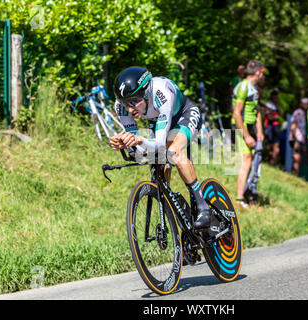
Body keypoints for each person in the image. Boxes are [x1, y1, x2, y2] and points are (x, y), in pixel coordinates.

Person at [109, 66, 211, 229]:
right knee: (157, 170)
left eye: (134, 101)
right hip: (158, 122)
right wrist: (127, 145)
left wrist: (138, 140)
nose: (130, 108)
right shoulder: (121, 107)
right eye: (125, 103)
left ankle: (203, 207)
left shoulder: (161, 93)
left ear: (146, 92)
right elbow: (143, 151)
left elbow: (159, 143)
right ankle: (177, 219)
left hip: (183, 115)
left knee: (173, 153)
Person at [232, 60, 265, 209]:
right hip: (242, 127)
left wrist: (259, 132)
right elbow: (236, 114)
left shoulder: (253, 88)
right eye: (262, 73)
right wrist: (246, 135)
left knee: (251, 162)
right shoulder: (243, 87)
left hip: (251, 128)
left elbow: (256, 110)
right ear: (258, 72)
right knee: (246, 162)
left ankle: (246, 194)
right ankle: (239, 199)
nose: (262, 76)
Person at [289, 97, 308, 175]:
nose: (306, 105)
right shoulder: (297, 112)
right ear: (300, 104)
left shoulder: (306, 114)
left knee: (299, 159)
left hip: (302, 139)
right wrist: (296, 140)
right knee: (296, 158)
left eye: (307, 103)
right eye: (304, 103)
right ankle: (295, 177)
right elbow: (293, 127)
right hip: (296, 139)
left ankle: (296, 175)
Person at [263, 90, 283, 165]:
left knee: (276, 147)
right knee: (270, 147)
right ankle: (269, 161)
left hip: (276, 127)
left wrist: (277, 106)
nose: (276, 97)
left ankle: (272, 163)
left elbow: (281, 114)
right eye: (274, 95)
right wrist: (276, 117)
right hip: (269, 127)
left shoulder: (276, 105)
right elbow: (269, 117)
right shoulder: (268, 104)